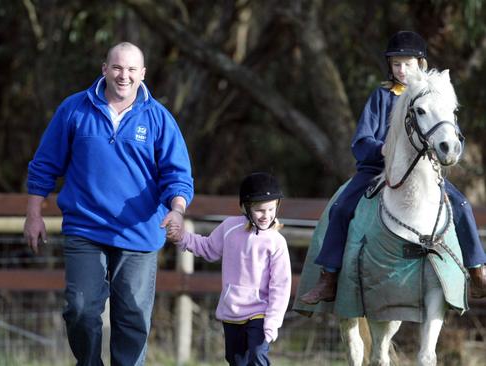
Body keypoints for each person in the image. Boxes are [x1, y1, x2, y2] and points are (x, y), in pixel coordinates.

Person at [24, 42, 194, 365]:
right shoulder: (74, 110)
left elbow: (178, 175)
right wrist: (34, 214)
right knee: (80, 310)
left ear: (143, 74)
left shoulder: (159, 119)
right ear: (104, 69)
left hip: (139, 233)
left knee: (132, 317)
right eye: (117, 67)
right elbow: (45, 164)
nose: (124, 75)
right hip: (85, 228)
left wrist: (177, 209)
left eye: (132, 70)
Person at [299, 30, 486, 305]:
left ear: (420, 64)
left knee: (461, 206)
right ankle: (329, 277)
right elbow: (361, 140)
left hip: (424, 172)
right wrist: (381, 148)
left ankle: (476, 271)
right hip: (378, 169)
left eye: (407, 64)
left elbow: (450, 131)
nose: (401, 70)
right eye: (396, 64)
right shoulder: (381, 96)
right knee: (340, 208)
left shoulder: (433, 95)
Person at [166, 172, 291, 366]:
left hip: (260, 312)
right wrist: (182, 237)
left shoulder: (277, 242)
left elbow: (281, 286)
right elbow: (208, 248)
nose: (266, 216)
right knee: (236, 361)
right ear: (245, 207)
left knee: (258, 355)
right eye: (260, 210)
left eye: (271, 209)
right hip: (232, 311)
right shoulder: (229, 228)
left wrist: (273, 321)